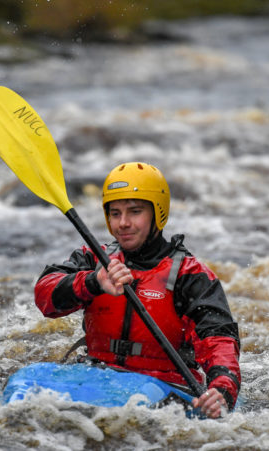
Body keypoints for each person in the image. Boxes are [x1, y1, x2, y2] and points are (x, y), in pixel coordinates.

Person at [35, 162, 240, 418]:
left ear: (157, 213)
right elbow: (45, 297)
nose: (123, 223)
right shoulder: (95, 260)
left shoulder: (189, 275)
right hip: (97, 375)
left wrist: (222, 388)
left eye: (134, 212)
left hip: (165, 387)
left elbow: (219, 339)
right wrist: (92, 282)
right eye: (115, 213)